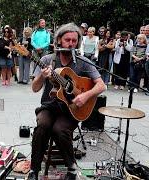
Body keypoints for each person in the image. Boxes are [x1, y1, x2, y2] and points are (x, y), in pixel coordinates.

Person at [28, 23, 106, 180]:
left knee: (60, 130)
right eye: (67, 40)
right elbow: (35, 88)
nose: (71, 43)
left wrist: (85, 96)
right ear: (58, 40)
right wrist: (42, 76)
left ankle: (71, 168)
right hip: (49, 107)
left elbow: (101, 85)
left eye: (74, 40)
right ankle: (34, 170)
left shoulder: (83, 62)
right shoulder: (47, 59)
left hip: (71, 109)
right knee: (42, 126)